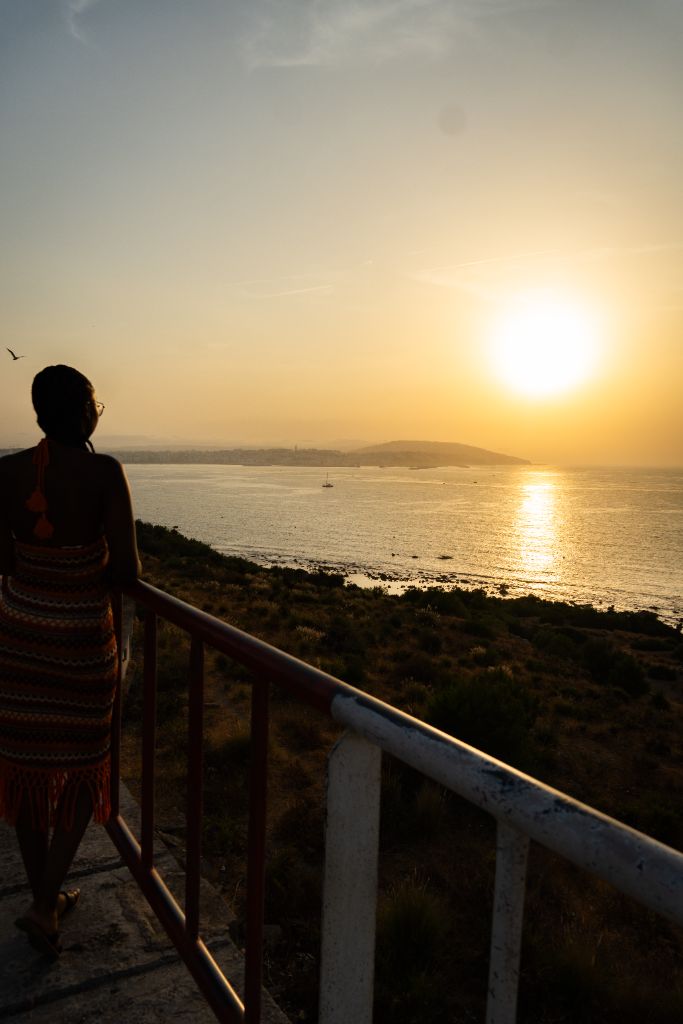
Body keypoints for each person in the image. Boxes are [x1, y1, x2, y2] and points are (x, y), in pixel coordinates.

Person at [0, 364, 140, 958]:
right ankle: (44, 900)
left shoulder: (5, 472)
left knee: (27, 771)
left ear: (37, 414)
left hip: (19, 637)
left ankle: (46, 903)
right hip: (83, 640)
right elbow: (128, 572)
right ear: (85, 413)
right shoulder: (105, 472)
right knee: (87, 767)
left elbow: (0, 560)